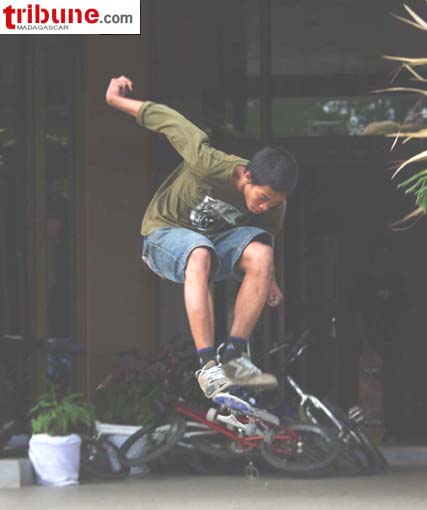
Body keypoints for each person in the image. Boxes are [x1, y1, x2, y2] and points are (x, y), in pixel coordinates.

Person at [106, 75, 299, 399]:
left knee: (262, 253)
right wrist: (115, 100)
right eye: (263, 197)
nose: (265, 206)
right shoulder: (207, 162)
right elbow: (168, 120)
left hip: (213, 246)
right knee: (199, 250)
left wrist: (270, 277)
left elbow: (265, 237)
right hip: (163, 236)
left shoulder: (274, 205)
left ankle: (234, 356)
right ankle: (208, 365)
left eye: (274, 202)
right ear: (247, 175)